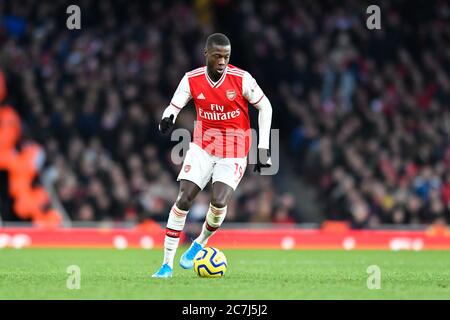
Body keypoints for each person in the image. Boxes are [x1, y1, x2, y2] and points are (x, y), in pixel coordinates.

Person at [152, 33, 273, 278]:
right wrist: (168, 118)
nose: (222, 61)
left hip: (235, 149)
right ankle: (166, 265)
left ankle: (200, 242)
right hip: (202, 146)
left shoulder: (242, 79)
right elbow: (175, 105)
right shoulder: (192, 79)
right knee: (184, 199)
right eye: (217, 55)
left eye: (226, 57)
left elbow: (265, 106)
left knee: (218, 201)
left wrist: (264, 149)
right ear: (206, 54)